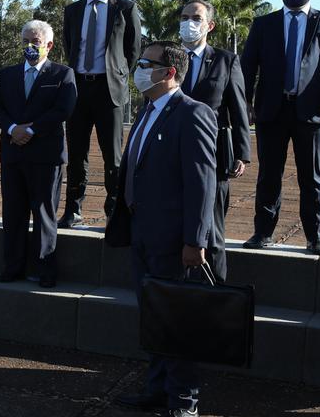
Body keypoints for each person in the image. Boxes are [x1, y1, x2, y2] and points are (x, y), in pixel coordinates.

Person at [113, 41, 216, 417]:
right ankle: (157, 390)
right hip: (142, 230)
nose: (138, 69)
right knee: (154, 318)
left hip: (173, 239)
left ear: (168, 72)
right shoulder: (147, 110)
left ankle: (183, 401)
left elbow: (201, 182)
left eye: (145, 63)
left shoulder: (193, 113)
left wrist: (195, 240)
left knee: (176, 322)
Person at [241, 0, 320, 255]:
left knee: (311, 178)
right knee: (268, 175)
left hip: (311, 113)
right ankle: (262, 232)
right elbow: (248, 67)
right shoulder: (264, 24)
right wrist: (245, 103)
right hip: (271, 111)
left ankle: (316, 236)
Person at [0, 21, 77, 288]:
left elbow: (64, 110)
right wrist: (14, 129)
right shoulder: (6, 74)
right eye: (26, 40)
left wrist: (33, 130)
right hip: (13, 153)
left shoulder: (63, 74)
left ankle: (44, 268)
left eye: (35, 42)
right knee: (13, 213)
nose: (29, 46)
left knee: (43, 213)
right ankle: (12, 267)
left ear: (48, 45)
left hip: (46, 155)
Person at [61, 0, 143, 228]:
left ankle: (114, 210)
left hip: (109, 90)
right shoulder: (72, 11)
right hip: (79, 87)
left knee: (113, 156)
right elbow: (69, 46)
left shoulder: (125, 8)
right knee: (76, 154)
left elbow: (132, 51)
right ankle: (73, 210)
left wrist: (117, 74)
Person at [179, 0, 250, 279]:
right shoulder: (168, 57)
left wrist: (242, 153)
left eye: (195, 17)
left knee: (213, 231)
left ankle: (215, 291)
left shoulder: (226, 60)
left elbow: (238, 108)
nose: (188, 23)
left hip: (213, 156)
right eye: (184, 17)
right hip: (172, 152)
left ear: (209, 25)